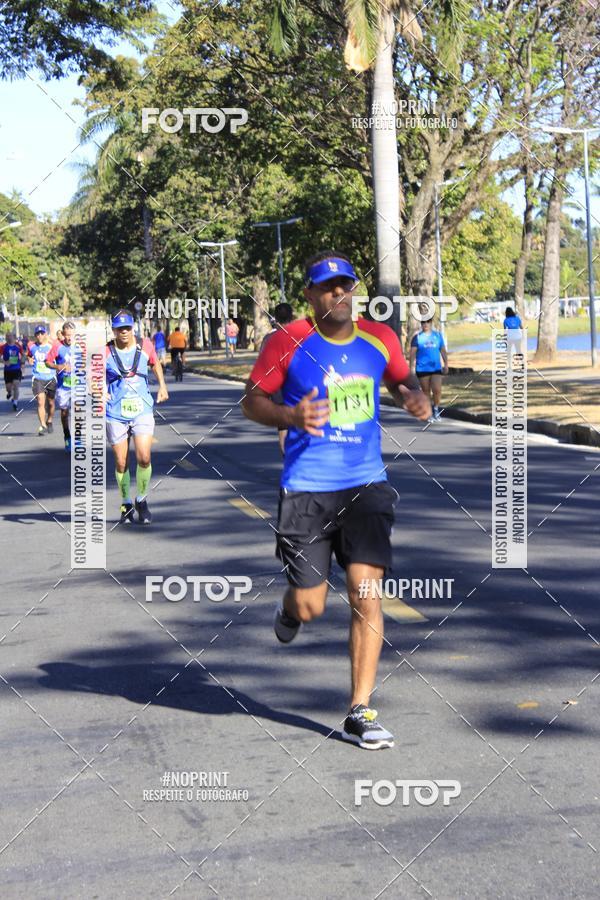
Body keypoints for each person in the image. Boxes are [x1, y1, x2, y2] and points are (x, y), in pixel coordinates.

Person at [242, 250, 431, 750]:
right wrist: (290, 416)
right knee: (310, 605)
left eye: (346, 285)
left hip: (366, 484)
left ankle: (360, 708)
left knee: (366, 592)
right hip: (306, 487)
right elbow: (252, 400)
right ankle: (290, 610)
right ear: (309, 295)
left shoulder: (380, 337)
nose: (339, 295)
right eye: (328, 288)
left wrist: (414, 396)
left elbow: (400, 378)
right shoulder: (286, 342)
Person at [106, 310, 168, 525]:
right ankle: (125, 502)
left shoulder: (145, 345)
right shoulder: (105, 351)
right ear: (113, 330)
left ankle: (141, 499)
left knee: (144, 457)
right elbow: (92, 376)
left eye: (127, 328)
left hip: (142, 410)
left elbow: (155, 363)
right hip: (115, 412)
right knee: (121, 462)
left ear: (133, 328)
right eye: (119, 328)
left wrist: (162, 386)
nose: (124, 332)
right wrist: (98, 390)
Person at [259, 303, 295, 455]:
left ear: (275, 319)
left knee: (283, 426)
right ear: (292, 317)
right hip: (298, 386)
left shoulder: (268, 339)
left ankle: (287, 458)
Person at [410, 318, 448, 423]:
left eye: (428, 322)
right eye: (423, 322)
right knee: (426, 391)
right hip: (422, 368)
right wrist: (411, 368)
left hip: (436, 368)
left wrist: (446, 364)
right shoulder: (417, 337)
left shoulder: (438, 336)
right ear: (421, 324)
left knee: (437, 390)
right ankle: (429, 412)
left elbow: (443, 351)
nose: (425, 324)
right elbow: (412, 354)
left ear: (431, 323)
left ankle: (436, 409)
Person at [46, 322, 77, 450]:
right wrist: (57, 366)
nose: (69, 338)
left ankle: (79, 439)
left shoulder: (81, 347)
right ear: (63, 334)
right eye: (67, 335)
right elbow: (47, 362)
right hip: (63, 386)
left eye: (72, 335)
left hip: (77, 385)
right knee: (65, 413)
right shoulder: (57, 347)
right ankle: (67, 436)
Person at [27, 325, 57, 435]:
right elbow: (29, 356)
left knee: (51, 403)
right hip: (38, 377)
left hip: (50, 377)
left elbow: (59, 358)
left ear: (45, 334)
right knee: (40, 401)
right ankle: (43, 425)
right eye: (37, 334)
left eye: (42, 333)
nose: (39, 336)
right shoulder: (32, 346)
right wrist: (29, 359)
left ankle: (49, 420)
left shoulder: (51, 347)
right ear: (35, 335)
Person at [1, 332, 25, 410]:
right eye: (7, 336)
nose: (8, 337)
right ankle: (9, 393)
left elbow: (23, 355)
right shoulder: (3, 347)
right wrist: (5, 362)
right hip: (7, 370)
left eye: (9, 336)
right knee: (8, 388)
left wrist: (22, 362)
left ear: (13, 337)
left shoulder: (18, 345)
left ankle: (15, 403)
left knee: (16, 385)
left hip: (16, 369)